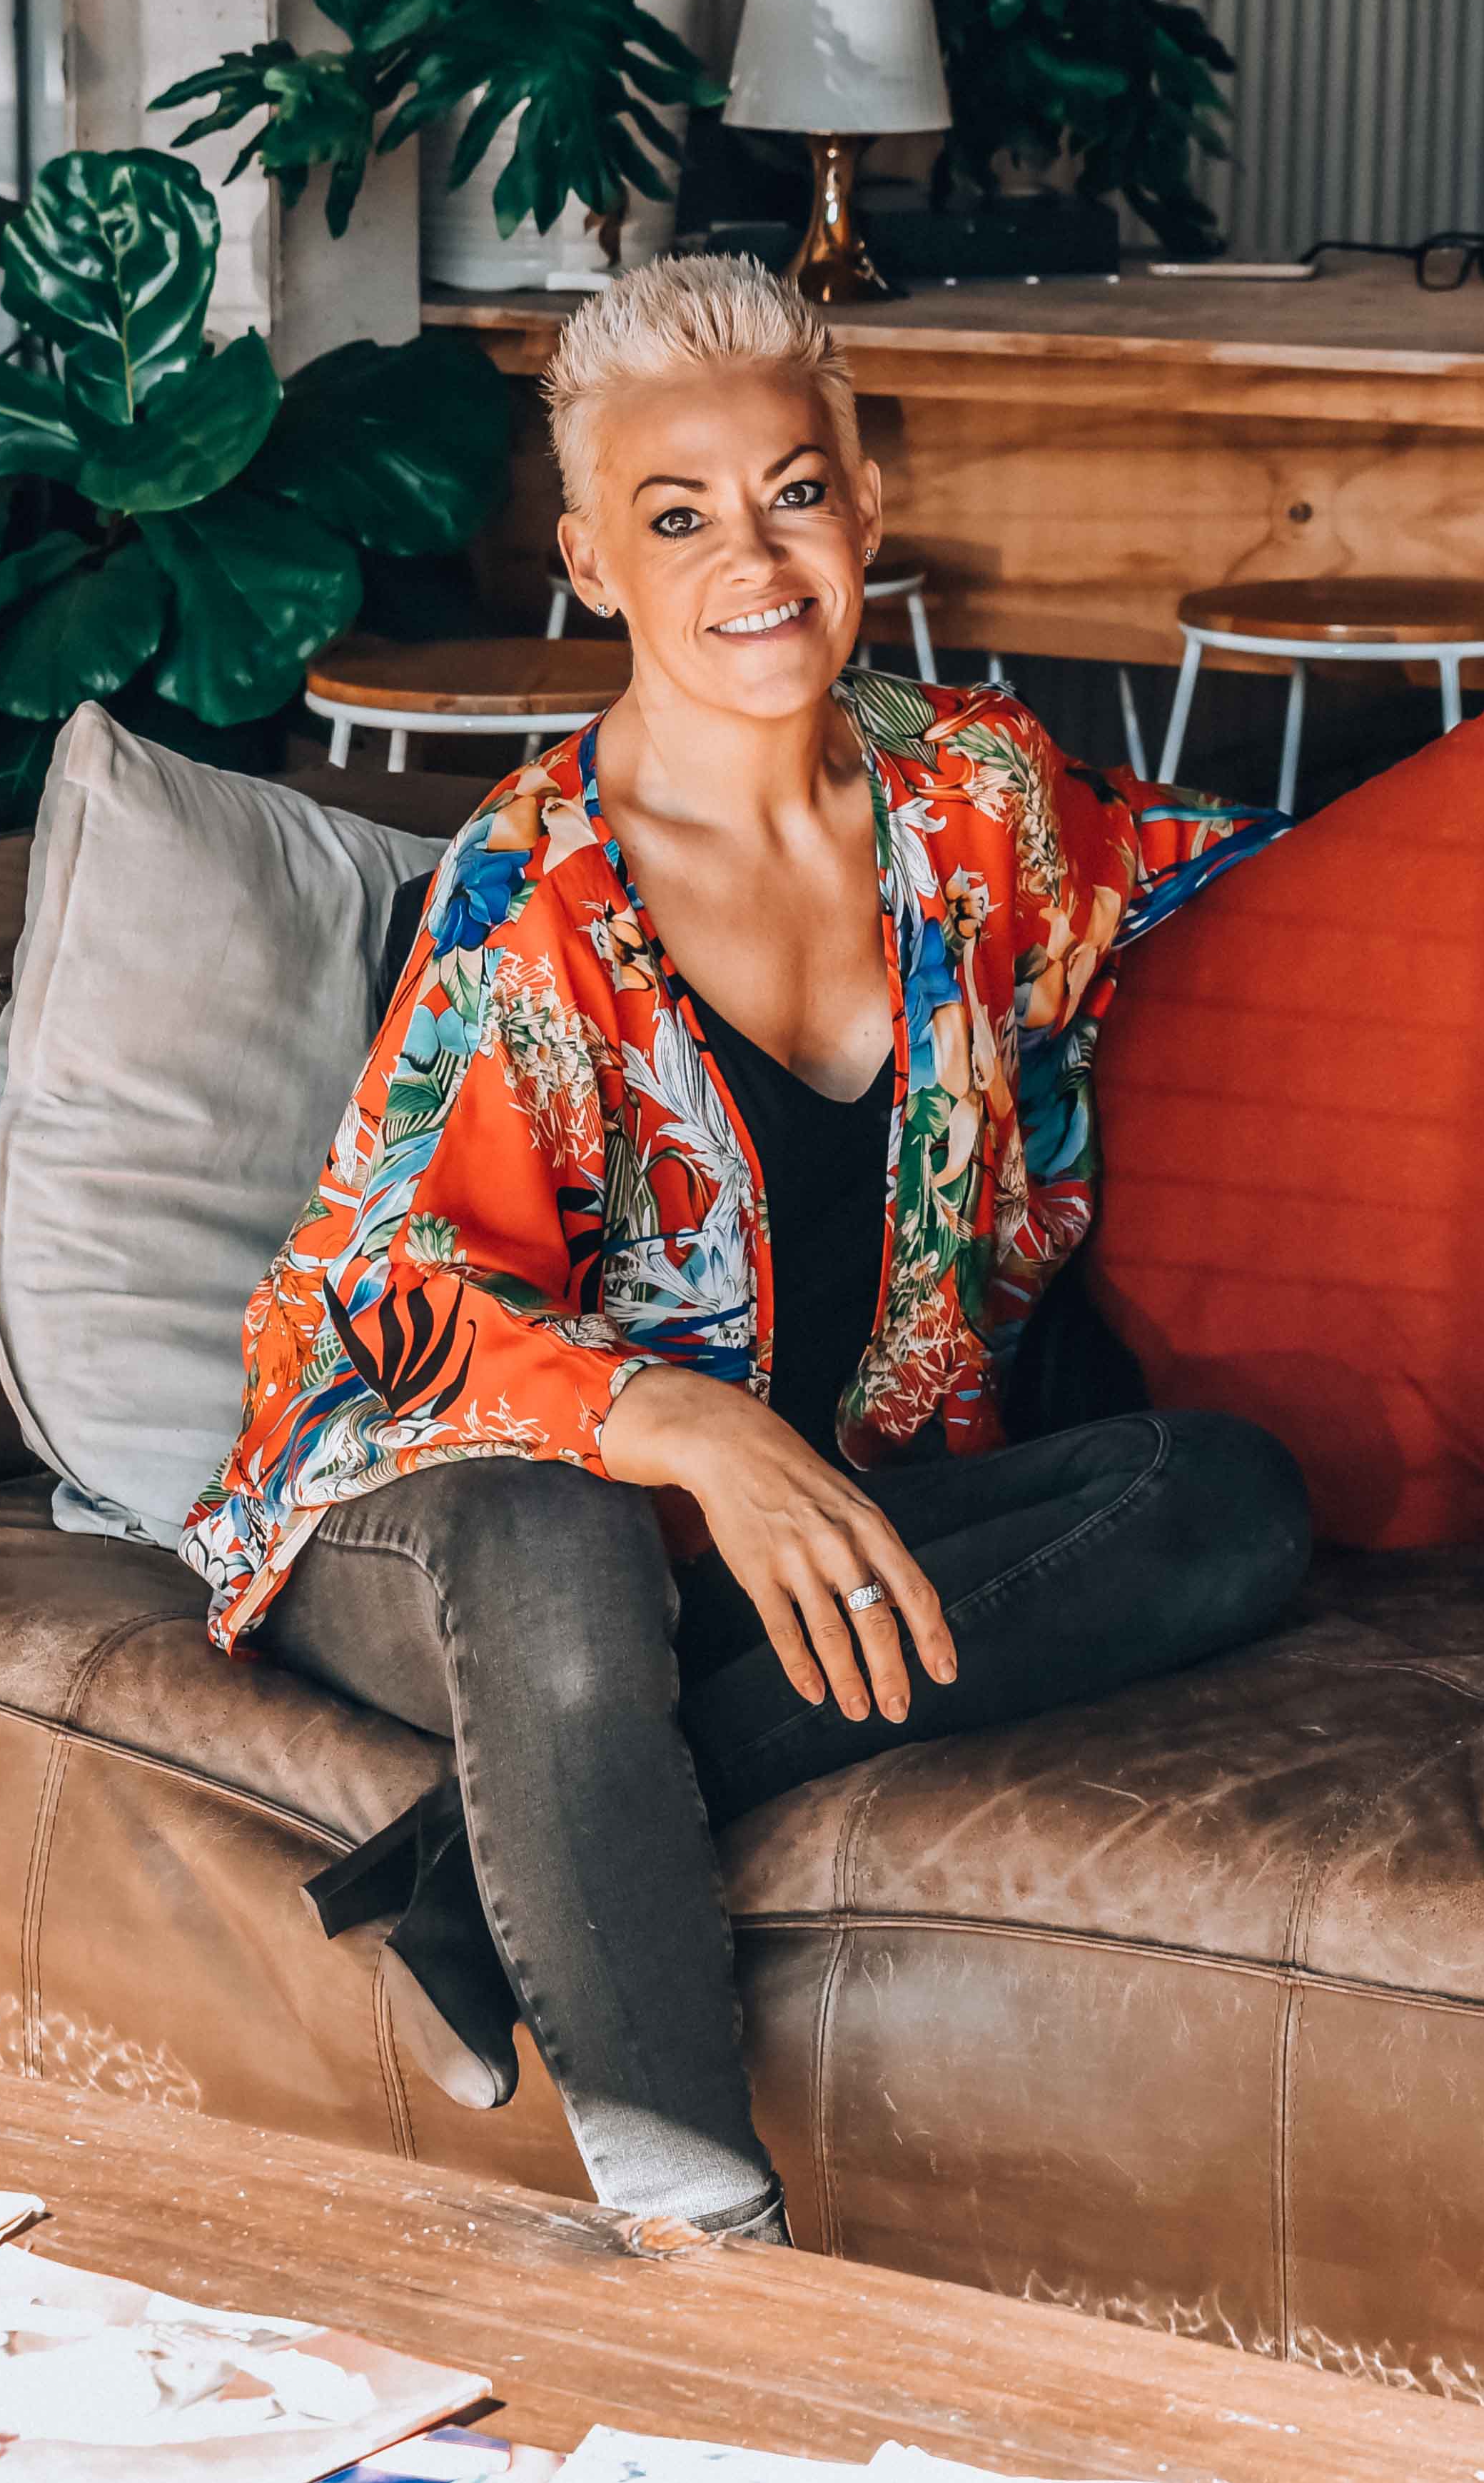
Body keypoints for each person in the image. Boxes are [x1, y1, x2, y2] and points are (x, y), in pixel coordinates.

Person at [183, 254, 1313, 2254]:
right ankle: (711, 2247)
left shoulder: (978, 795)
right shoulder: (530, 895)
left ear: (865, 505)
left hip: (822, 1513)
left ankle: (470, 1881)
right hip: (425, 1497)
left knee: (1215, 1495)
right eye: (678, 517)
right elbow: (392, 1289)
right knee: (560, 1541)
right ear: (592, 565)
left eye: (793, 493)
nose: (754, 559)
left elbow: (1235, 876)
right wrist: (684, 1430)